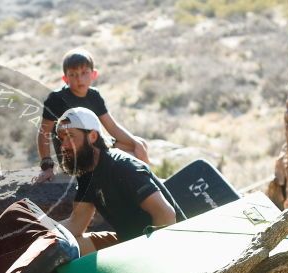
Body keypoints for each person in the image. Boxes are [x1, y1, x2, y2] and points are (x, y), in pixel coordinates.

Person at [55, 107, 184, 255]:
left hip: (166, 247)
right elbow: (76, 223)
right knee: (65, 247)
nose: (64, 146)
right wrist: (42, 234)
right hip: (130, 243)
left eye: (70, 136)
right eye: (62, 138)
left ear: (92, 136)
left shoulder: (123, 166)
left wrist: (151, 258)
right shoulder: (86, 174)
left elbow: (166, 215)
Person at [36, 48, 150, 183]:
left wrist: (135, 143)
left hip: (93, 146)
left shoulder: (94, 96)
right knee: (130, 154)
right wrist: (47, 166)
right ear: (65, 78)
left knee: (139, 144)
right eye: (73, 75)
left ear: (93, 74)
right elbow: (44, 133)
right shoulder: (56, 99)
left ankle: (149, 185)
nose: (79, 79)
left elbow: (112, 127)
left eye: (84, 73)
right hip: (73, 154)